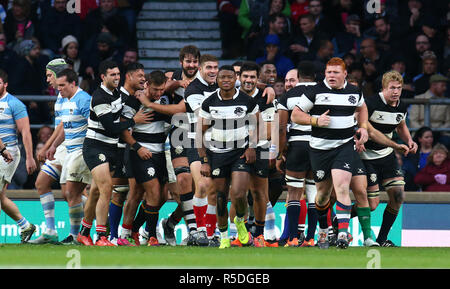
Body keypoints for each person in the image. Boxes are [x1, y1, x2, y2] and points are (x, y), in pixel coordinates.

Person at [291, 57, 369, 249]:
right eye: (328, 72)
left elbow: (362, 107)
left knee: (342, 187)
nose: (331, 76)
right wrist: (315, 121)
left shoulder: (354, 91)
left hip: (344, 146)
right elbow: (295, 115)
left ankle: (342, 233)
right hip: (320, 149)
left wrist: (364, 127)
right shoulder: (314, 91)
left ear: (345, 74)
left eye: (335, 72)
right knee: (322, 196)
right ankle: (324, 229)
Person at [76, 60, 150, 246]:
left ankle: (84, 232)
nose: (116, 77)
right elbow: (110, 127)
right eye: (112, 75)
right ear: (103, 77)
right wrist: (134, 120)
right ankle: (102, 236)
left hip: (111, 148)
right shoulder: (100, 97)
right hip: (95, 147)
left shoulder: (116, 93)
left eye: (118, 74)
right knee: (106, 189)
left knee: (94, 192)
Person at [197, 65, 259, 249]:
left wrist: (252, 148)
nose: (226, 80)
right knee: (221, 198)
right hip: (216, 155)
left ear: (235, 79)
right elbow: (199, 133)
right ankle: (224, 236)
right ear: (217, 79)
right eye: (222, 77)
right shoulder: (209, 102)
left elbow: (257, 125)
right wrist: (205, 161)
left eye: (229, 77)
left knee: (239, 193)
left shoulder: (246, 100)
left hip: (240, 153)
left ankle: (240, 221)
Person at [358, 70, 418, 247]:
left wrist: (409, 139)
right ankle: (340, 220)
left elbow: (400, 125)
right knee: (373, 204)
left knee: (398, 195)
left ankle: (382, 239)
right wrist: (395, 145)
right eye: (392, 88)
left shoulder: (401, 105)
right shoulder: (370, 103)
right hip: (366, 156)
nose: (396, 92)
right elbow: (370, 132)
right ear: (384, 88)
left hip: (386, 156)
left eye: (399, 88)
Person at [121, 70, 171, 247]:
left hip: (160, 154)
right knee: (151, 192)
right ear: (147, 85)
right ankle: (150, 236)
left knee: (163, 196)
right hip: (141, 152)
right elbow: (122, 129)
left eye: (162, 90)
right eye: (155, 89)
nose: (158, 93)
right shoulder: (134, 101)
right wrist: (137, 147)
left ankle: (134, 230)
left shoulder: (165, 100)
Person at [231, 61, 276, 247]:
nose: (248, 80)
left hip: (261, 149)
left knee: (259, 193)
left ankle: (259, 234)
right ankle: (236, 234)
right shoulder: (230, 96)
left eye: (252, 77)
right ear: (239, 78)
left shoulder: (266, 98)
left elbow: (268, 129)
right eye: (245, 77)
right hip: (236, 149)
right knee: (237, 193)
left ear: (258, 79)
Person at [44, 69, 92, 245]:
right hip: (70, 151)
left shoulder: (84, 99)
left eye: (63, 85)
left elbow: (94, 125)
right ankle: (98, 222)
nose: (60, 89)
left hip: (81, 151)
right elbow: (65, 127)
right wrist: (54, 146)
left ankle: (75, 235)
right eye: (58, 86)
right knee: (69, 193)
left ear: (73, 83)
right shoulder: (66, 100)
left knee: (72, 192)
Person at [276, 61, 317, 247]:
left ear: (298, 77)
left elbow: (281, 128)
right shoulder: (323, 93)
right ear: (316, 77)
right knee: (313, 192)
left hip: (297, 146)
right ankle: (310, 238)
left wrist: (280, 153)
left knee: (294, 192)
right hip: (318, 147)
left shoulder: (288, 96)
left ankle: (293, 238)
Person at [29, 58, 69, 244]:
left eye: (48, 75)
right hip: (62, 147)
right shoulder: (61, 95)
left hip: (73, 148)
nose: (47, 80)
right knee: (42, 182)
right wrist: (53, 146)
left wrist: (47, 146)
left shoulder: (70, 94)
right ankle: (51, 231)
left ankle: (101, 219)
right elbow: (61, 126)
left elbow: (63, 125)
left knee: (71, 194)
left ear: (57, 73)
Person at [107, 62, 146, 246]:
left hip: (128, 149)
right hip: (115, 149)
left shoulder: (136, 97)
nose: (143, 79)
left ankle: (119, 234)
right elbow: (115, 125)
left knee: (129, 192)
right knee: (118, 193)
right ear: (129, 76)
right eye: (140, 76)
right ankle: (112, 235)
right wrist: (133, 120)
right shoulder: (118, 97)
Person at [0, 68, 37, 243]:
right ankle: (25, 226)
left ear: (5, 84)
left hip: (7, 153)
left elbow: (26, 132)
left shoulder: (14, 104)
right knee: (1, 197)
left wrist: (29, 157)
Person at [409, 74, 450, 148]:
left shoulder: (446, 101)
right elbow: (413, 120)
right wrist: (424, 133)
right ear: (434, 85)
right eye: (442, 86)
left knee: (446, 142)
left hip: (440, 133)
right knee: (412, 144)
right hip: (420, 132)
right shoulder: (418, 98)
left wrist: (437, 131)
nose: (445, 88)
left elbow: (448, 122)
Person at [402, 126, 435, 191]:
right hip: (414, 181)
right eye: (427, 137)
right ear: (420, 139)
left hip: (431, 180)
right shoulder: (413, 153)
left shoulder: (437, 152)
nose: (430, 139)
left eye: (431, 137)